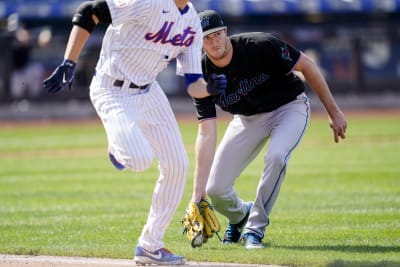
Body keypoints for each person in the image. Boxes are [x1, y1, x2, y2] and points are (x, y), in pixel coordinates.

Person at [43, 1, 225, 265]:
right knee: (140, 160)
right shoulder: (148, 3)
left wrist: (209, 88)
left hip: (150, 92)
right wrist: (69, 61)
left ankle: (151, 245)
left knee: (177, 165)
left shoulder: (192, 23)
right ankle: (118, 148)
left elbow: (193, 83)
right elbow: (89, 11)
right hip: (112, 89)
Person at [189, 10, 347, 249]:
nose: (214, 42)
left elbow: (308, 66)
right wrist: (196, 192)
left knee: (276, 157)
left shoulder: (260, 45)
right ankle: (241, 215)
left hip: (288, 108)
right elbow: (206, 132)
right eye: (207, 37)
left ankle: (254, 229)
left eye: (218, 34)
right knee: (216, 189)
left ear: (226, 32)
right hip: (246, 119)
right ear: (199, 42)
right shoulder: (201, 76)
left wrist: (334, 112)